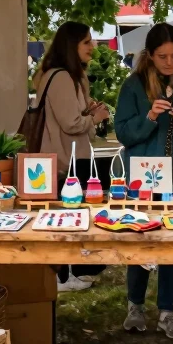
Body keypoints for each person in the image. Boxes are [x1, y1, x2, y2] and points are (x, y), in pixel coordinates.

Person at [114, 23, 173, 340]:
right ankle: (135, 306)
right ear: (150, 55)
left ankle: (167, 310)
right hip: (145, 175)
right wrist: (150, 117)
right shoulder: (134, 86)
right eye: (162, 56)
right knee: (140, 238)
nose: (170, 62)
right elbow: (123, 132)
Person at [31, 22, 111, 291]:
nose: (93, 46)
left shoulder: (62, 75)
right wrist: (95, 117)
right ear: (71, 45)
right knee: (68, 214)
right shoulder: (62, 77)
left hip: (66, 155)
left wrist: (89, 112)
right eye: (86, 41)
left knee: (67, 213)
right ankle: (62, 276)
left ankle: (66, 273)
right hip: (66, 157)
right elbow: (71, 123)